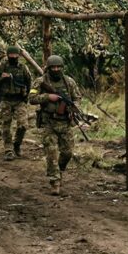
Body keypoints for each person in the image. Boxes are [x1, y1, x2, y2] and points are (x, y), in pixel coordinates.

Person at [29, 55, 83, 195]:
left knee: (67, 152)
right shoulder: (40, 82)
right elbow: (32, 98)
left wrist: (74, 107)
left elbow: (77, 97)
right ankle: (55, 181)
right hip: (48, 122)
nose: (56, 69)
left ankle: (58, 170)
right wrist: (47, 97)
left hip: (65, 122)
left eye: (58, 67)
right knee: (51, 153)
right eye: (53, 67)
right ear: (48, 68)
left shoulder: (69, 82)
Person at [0, 45, 33, 160]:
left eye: (15, 55)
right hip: (5, 100)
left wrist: (26, 97)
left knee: (23, 125)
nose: (13, 56)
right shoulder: (1, 67)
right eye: (11, 55)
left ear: (18, 55)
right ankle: (8, 150)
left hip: (19, 100)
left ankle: (17, 144)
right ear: (8, 55)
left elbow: (29, 82)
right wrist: (1, 79)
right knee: (6, 127)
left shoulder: (23, 68)